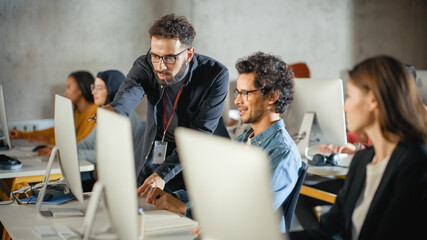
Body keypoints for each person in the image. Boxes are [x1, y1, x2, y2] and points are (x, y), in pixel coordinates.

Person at [146, 52, 303, 233]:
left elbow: (250, 214)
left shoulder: (282, 153)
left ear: (273, 95)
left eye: (246, 93)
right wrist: (176, 197)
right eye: (238, 92)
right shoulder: (244, 140)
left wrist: (183, 208)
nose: (237, 101)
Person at [290, 55, 427, 239]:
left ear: (372, 100)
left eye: (349, 96)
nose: (345, 106)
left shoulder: (415, 163)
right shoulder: (363, 160)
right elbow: (325, 232)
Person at [103, 14, 230, 194]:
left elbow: (199, 134)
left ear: (189, 54)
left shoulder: (215, 74)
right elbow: (131, 91)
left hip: (200, 156)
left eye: (170, 58)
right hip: (159, 147)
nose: (161, 66)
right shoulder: (146, 65)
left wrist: (163, 174)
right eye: (155, 55)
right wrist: (117, 110)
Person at [9, 71, 97, 146]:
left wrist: (49, 141)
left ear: (80, 90)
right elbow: (57, 131)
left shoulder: (95, 111)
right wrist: (23, 135)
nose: (65, 92)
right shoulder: (76, 112)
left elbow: (84, 141)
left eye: (69, 87)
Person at [77, 70, 145, 164]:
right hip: (103, 173)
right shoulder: (105, 113)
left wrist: (75, 153)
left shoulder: (123, 117)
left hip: (121, 175)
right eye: (94, 87)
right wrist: (64, 150)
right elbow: (88, 143)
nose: (93, 92)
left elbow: (108, 156)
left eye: (99, 88)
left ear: (113, 89)